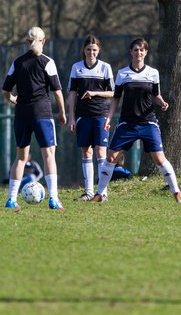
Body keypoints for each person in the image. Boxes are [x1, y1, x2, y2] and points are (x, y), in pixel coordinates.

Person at [91, 37, 181, 204]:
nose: (139, 53)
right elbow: (115, 98)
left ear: (146, 52)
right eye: (136, 50)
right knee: (111, 157)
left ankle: (176, 192)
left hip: (148, 123)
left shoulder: (153, 73)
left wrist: (162, 103)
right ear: (131, 52)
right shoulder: (122, 73)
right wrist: (108, 118)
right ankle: (99, 193)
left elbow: (156, 95)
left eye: (142, 50)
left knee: (159, 159)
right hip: (127, 123)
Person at [1, 26, 66, 210]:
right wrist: (62, 113)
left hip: (22, 114)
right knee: (48, 156)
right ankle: (53, 199)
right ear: (43, 41)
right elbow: (58, 92)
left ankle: (11, 200)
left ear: (27, 42)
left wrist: (13, 99)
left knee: (20, 157)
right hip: (42, 114)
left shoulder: (18, 62)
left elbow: (5, 90)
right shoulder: (47, 62)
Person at [68, 35, 114, 200]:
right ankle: (88, 192)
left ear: (98, 50)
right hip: (82, 116)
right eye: (88, 49)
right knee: (86, 152)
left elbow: (112, 92)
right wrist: (72, 117)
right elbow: (72, 94)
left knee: (101, 152)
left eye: (94, 50)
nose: (91, 52)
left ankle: (102, 193)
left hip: (101, 114)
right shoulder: (76, 67)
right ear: (84, 50)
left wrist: (95, 93)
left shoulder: (105, 68)